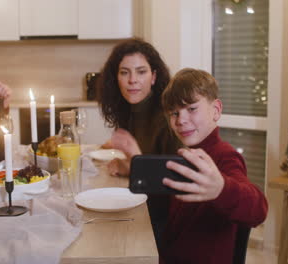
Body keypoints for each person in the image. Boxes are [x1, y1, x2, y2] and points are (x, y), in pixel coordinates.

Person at [115, 68, 268, 263]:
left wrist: (221, 188)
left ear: (216, 110)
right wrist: (135, 165)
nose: (181, 120)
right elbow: (168, 208)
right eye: (174, 113)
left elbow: (258, 209)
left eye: (192, 109)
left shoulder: (224, 156)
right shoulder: (187, 155)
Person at [96, 38, 181, 250]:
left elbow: (175, 181)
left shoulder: (167, 118)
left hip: (163, 223)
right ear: (116, 78)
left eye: (141, 72)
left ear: (153, 77)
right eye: (124, 72)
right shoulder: (130, 110)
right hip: (141, 207)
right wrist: (129, 166)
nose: (132, 80)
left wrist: (134, 165)